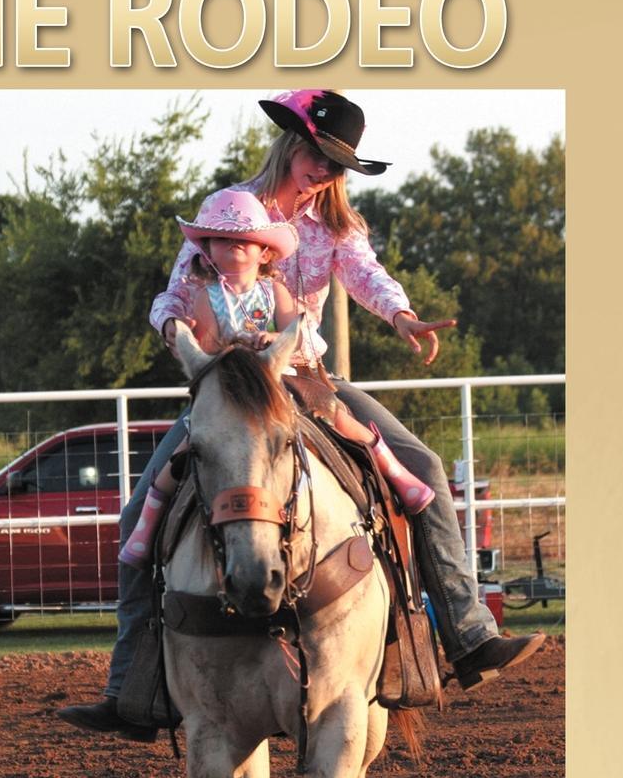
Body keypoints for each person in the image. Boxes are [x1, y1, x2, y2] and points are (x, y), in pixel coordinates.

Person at [58, 90, 544, 739]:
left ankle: (464, 633)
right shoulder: (229, 216)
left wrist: (399, 315)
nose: (326, 173)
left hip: (305, 376)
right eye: (319, 157)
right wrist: (175, 327)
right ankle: (130, 689)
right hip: (231, 386)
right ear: (292, 147)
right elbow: (175, 291)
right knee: (140, 509)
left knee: (421, 466)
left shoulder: (335, 225)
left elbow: (365, 274)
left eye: (338, 165)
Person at [119, 188, 434, 569]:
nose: (233, 246)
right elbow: (205, 348)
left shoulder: (275, 291)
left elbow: (299, 331)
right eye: (222, 239)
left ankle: (397, 474)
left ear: (264, 251)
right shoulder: (205, 296)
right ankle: (146, 525)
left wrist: (275, 340)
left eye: (244, 240)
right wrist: (222, 345)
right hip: (233, 387)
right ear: (208, 249)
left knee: (337, 415)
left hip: (281, 381)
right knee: (188, 446)